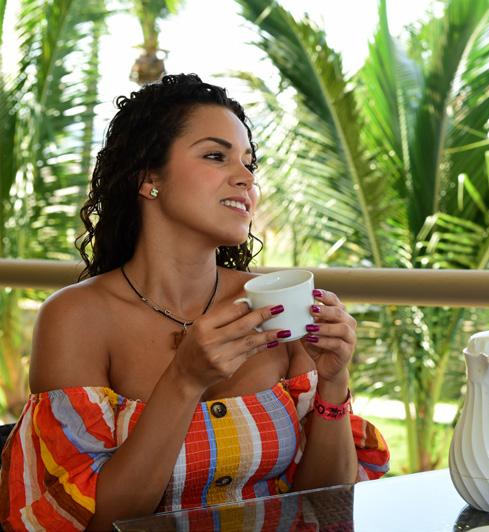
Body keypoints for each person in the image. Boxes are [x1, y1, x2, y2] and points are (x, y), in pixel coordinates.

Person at [0, 74, 389, 531]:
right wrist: (184, 380)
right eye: (215, 156)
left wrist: (333, 384)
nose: (246, 178)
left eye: (249, 163)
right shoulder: (75, 318)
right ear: (149, 177)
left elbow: (326, 505)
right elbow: (95, 522)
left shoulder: (276, 304)